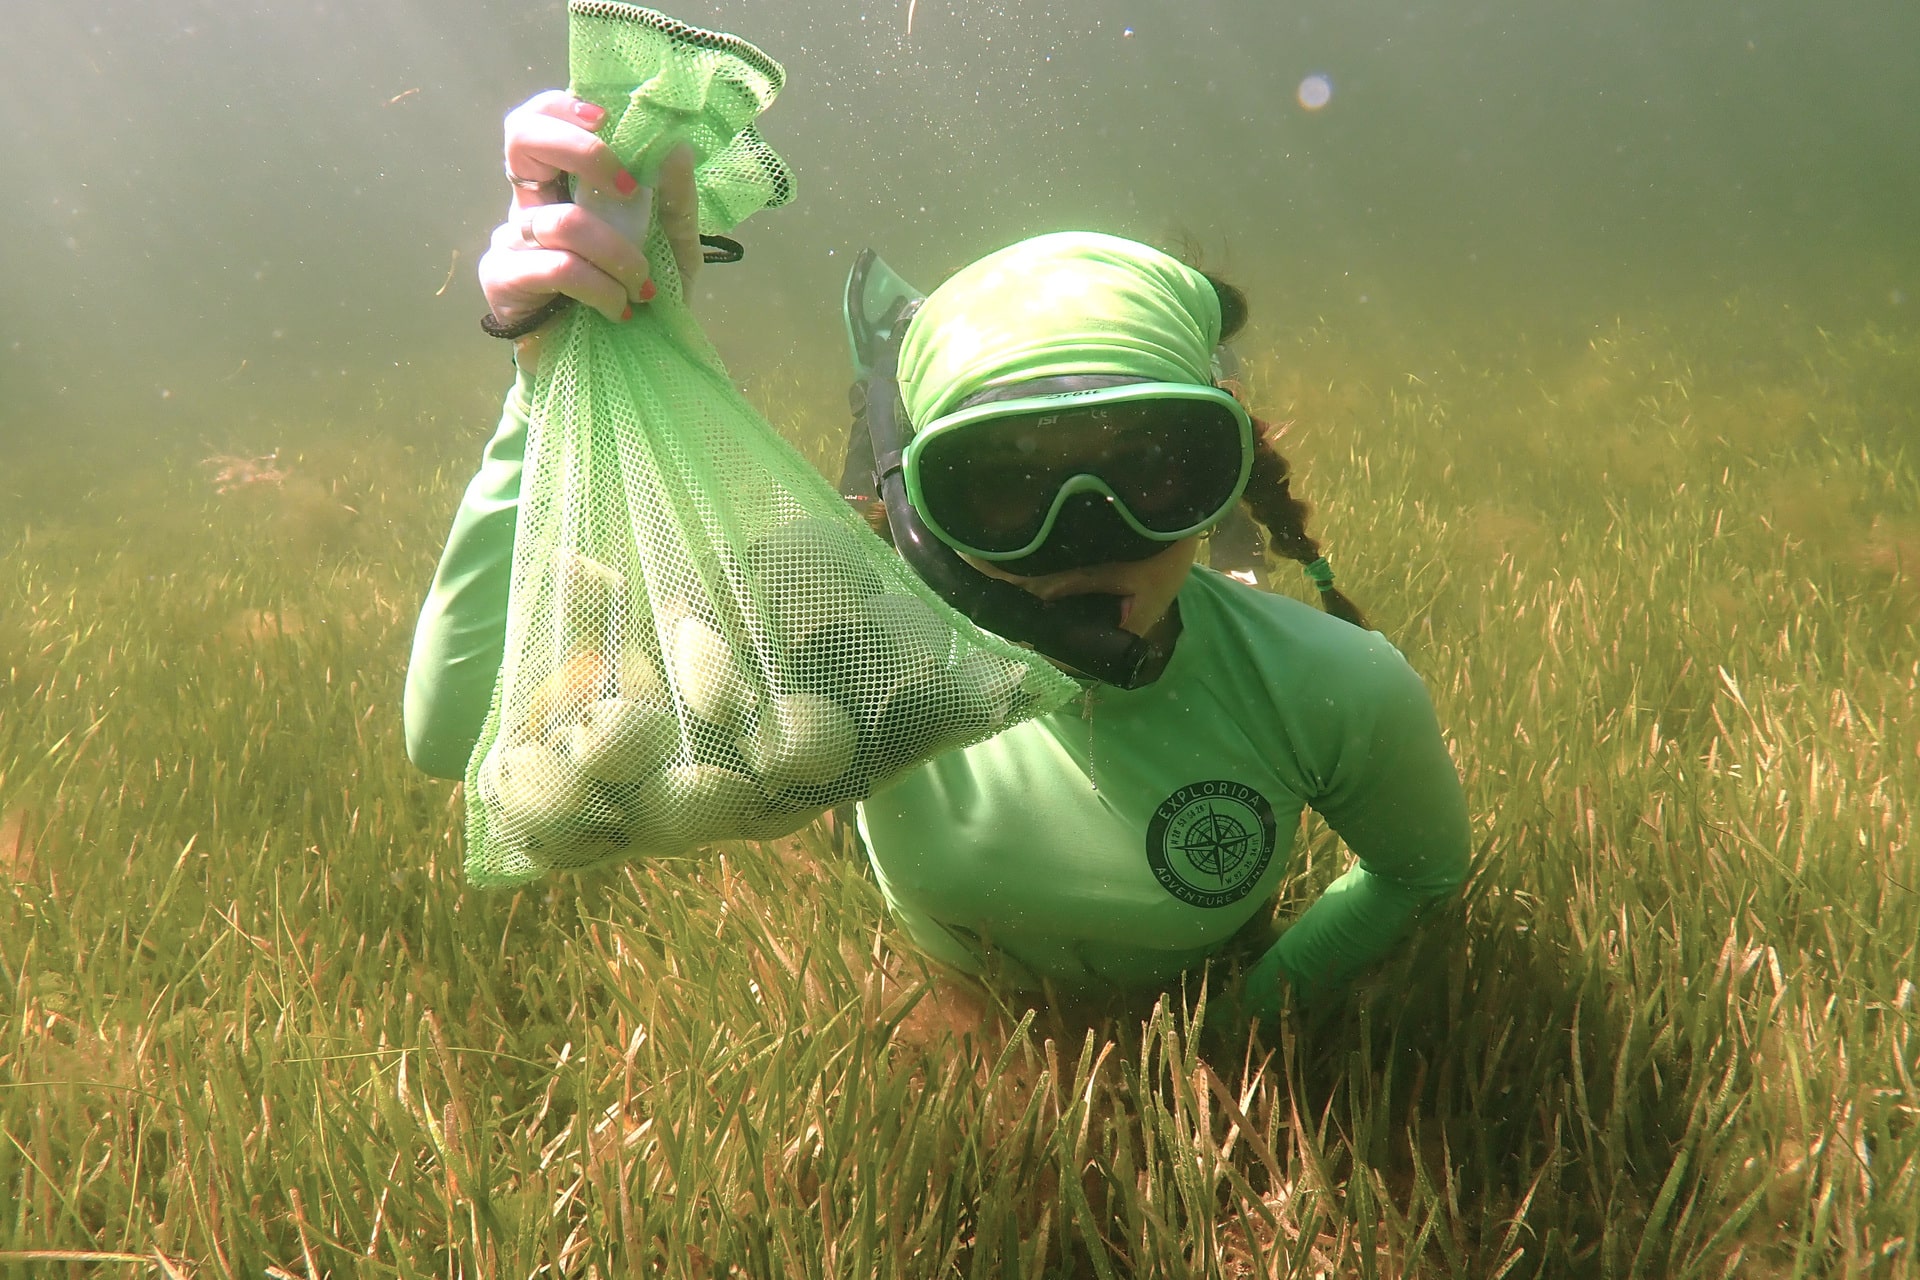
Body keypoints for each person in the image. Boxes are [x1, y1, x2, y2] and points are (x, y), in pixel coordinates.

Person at [405, 91, 1471, 1017]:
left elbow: (1418, 873)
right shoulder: (864, 651)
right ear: (922, 498)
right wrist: (551, 365)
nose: (1085, 534)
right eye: (1004, 480)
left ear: (1219, 473)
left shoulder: (1329, 686)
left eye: (1153, 467)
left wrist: (1235, 1028)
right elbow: (461, 733)